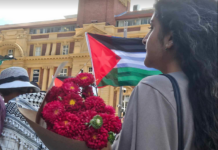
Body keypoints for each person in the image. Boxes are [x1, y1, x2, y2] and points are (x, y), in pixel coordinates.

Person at [112, 0, 218, 150]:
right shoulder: (210, 91)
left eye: (152, 27)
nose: (144, 39)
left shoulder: (154, 89)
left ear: (170, 39)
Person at [0, 67, 47, 150]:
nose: (4, 98)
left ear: (7, 91)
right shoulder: (42, 107)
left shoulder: (12, 108)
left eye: (3, 94)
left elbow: (7, 146)